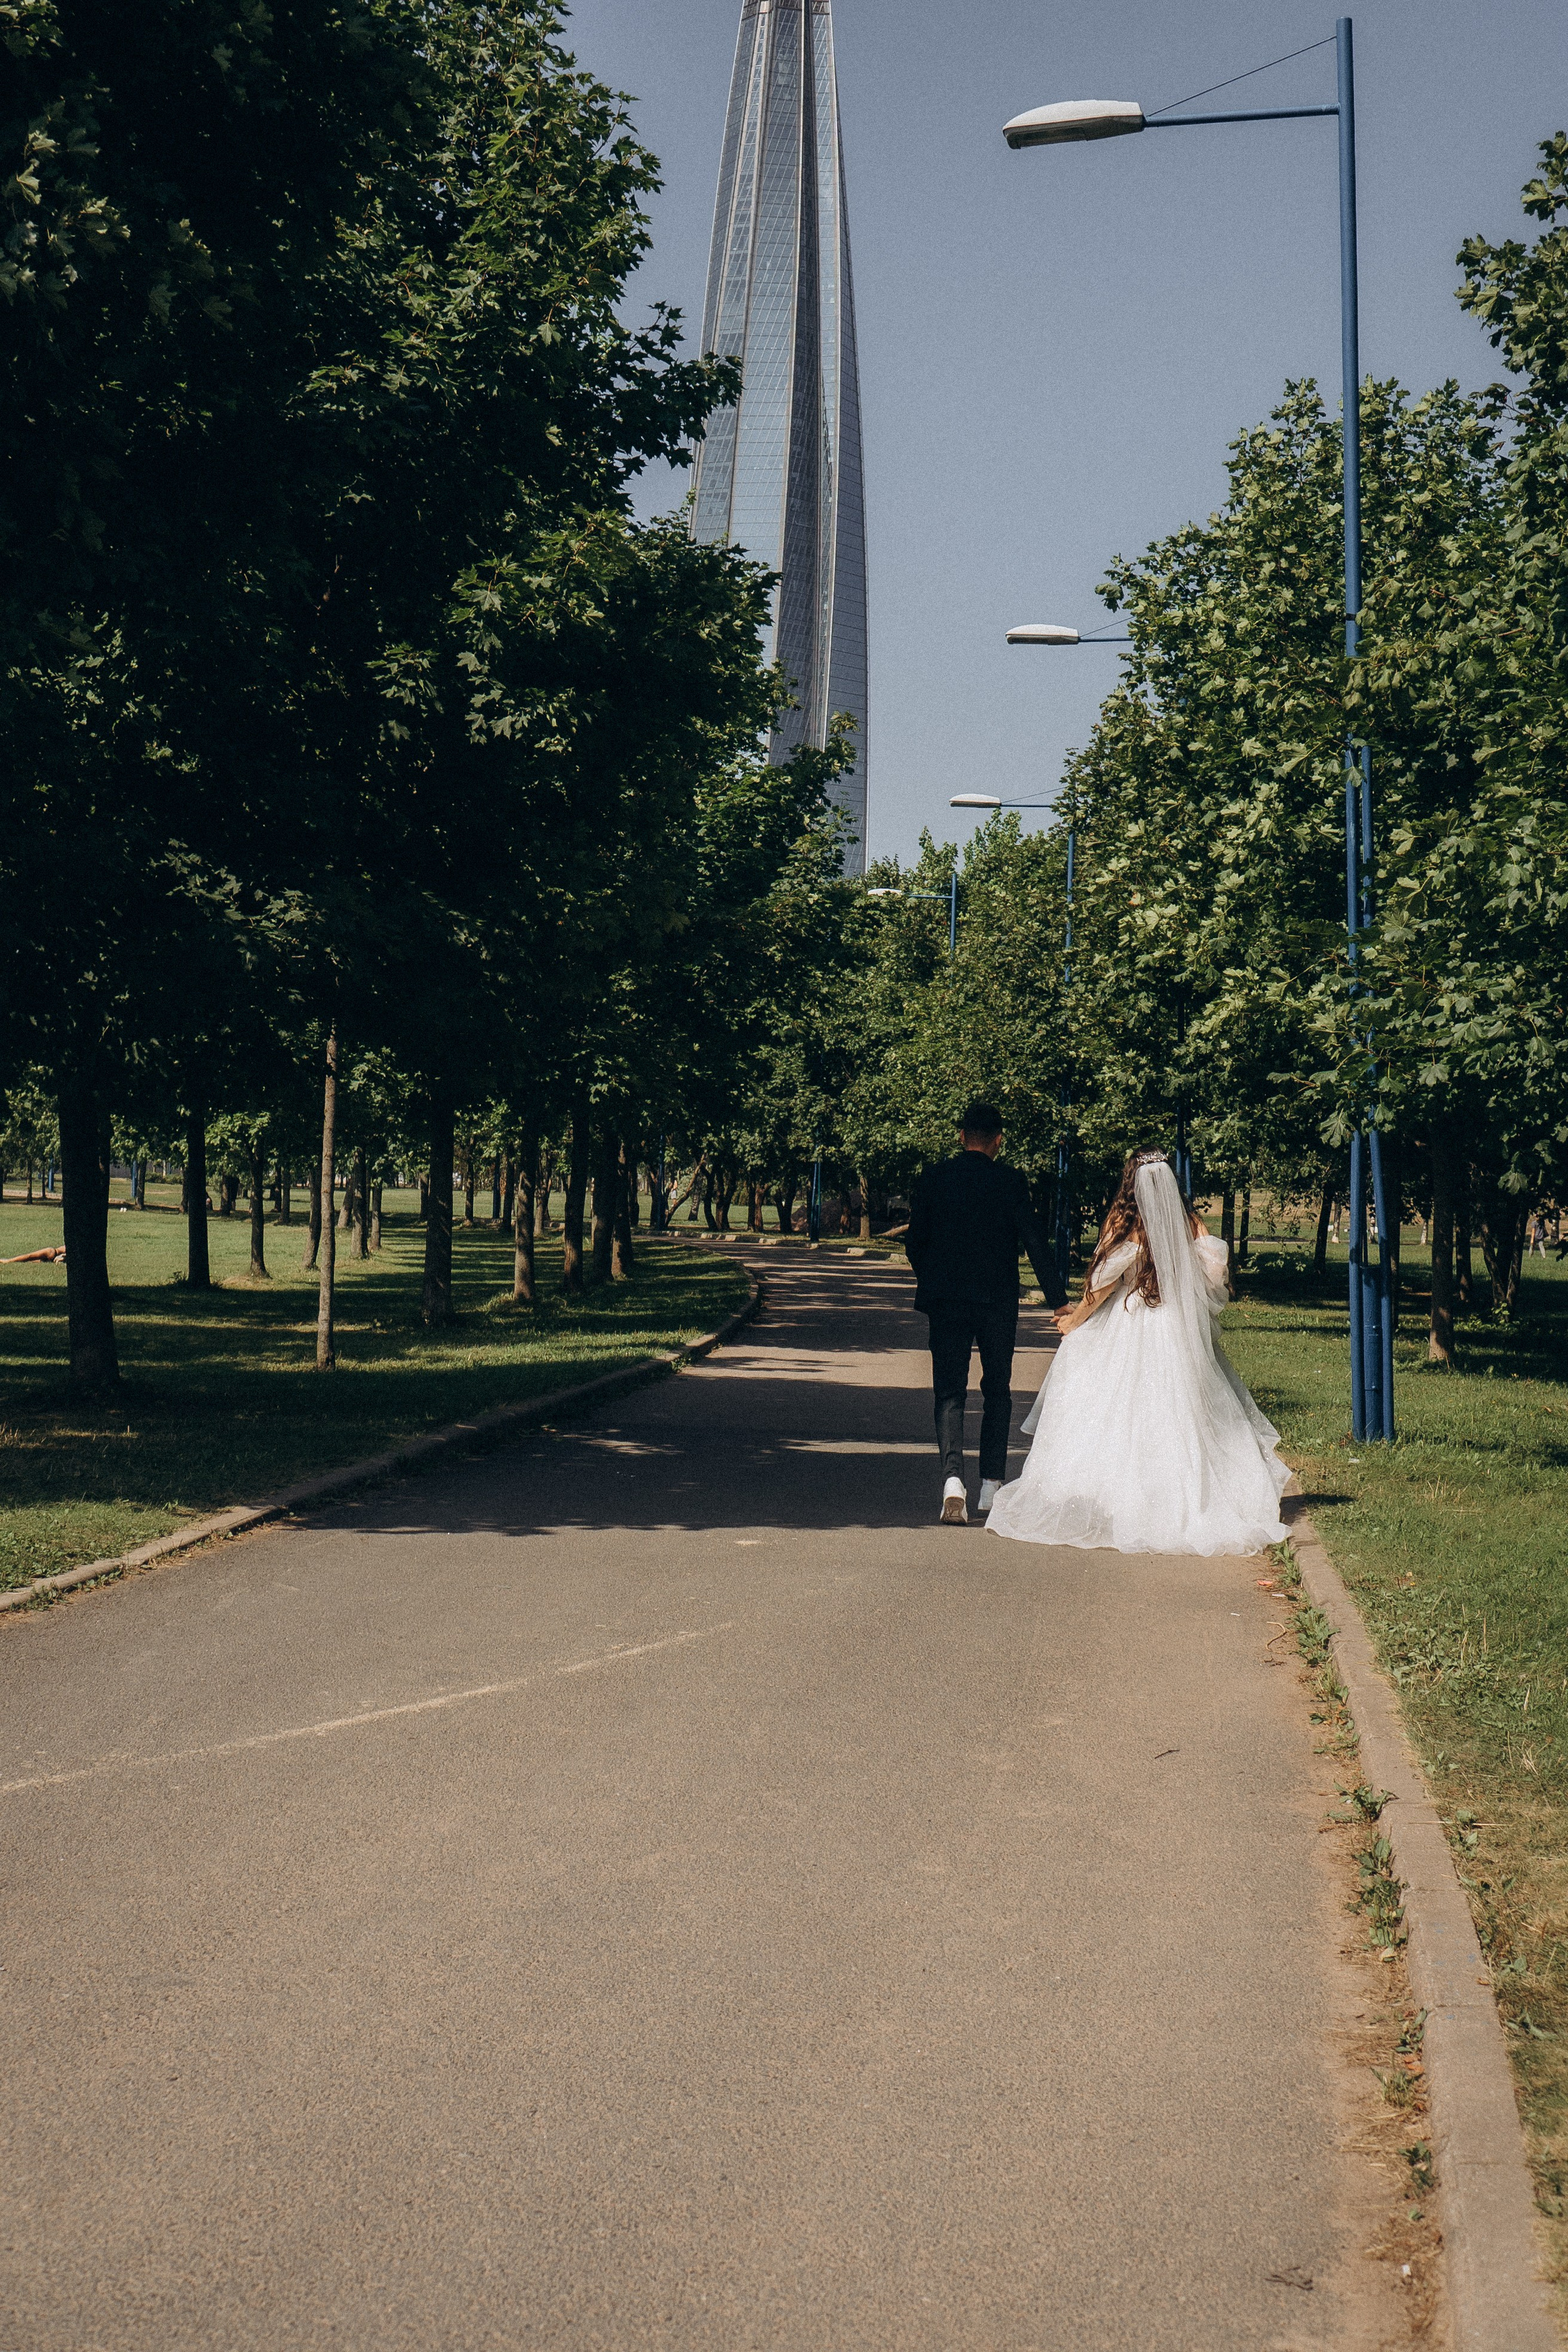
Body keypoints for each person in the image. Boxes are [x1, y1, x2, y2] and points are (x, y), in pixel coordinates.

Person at [988, 1150, 1289, 1557]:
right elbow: (1216, 1274)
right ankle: (1181, 1500)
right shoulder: (1189, 1221)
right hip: (1177, 1328)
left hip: (1130, 1321)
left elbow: (1102, 1285)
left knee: (1121, 1410)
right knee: (1182, 1412)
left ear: (1130, 1181)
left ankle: (1117, 1502)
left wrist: (1074, 1321)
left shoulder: (1125, 1223)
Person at [904, 1100, 1065, 1526]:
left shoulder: (935, 1178)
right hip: (997, 1300)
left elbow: (915, 1243)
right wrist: (1058, 1300)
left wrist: (934, 1279)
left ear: (961, 1136)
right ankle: (992, 1484)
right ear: (998, 1141)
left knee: (950, 1391)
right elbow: (1033, 1240)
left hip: (947, 1300)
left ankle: (953, 1480)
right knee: (998, 1389)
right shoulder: (1010, 1182)